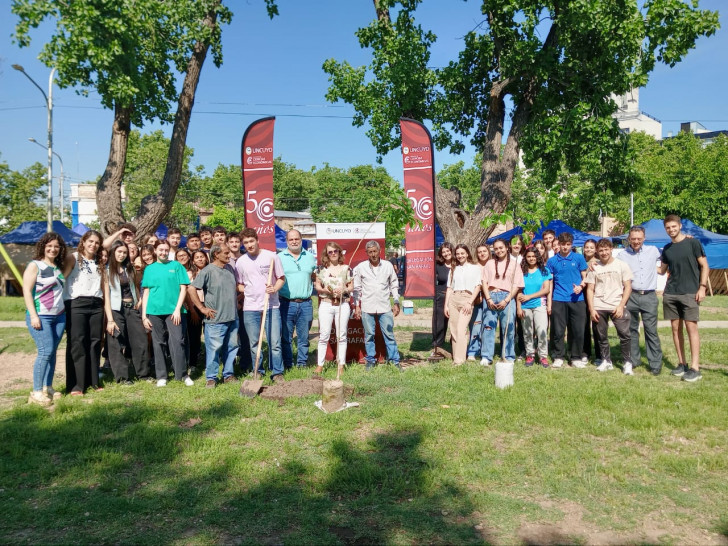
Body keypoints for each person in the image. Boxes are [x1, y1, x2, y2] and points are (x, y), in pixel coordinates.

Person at [659, 215, 709, 382]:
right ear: (665, 229)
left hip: (690, 292)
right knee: (675, 329)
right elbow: (661, 270)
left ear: (680, 226)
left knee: (691, 328)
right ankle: (682, 364)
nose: (671, 230)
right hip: (671, 293)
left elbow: (705, 266)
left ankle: (695, 368)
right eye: (668, 228)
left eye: (674, 226)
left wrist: (702, 287)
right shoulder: (666, 249)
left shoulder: (692, 243)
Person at [141, 239, 193, 387]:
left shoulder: (176, 266)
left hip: (174, 311)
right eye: (160, 250)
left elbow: (183, 288)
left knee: (178, 341)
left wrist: (177, 309)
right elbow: (146, 292)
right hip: (154, 311)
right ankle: (162, 376)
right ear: (155, 251)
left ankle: (182, 374)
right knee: (158, 343)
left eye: (166, 250)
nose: (163, 252)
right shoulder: (150, 269)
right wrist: (144, 316)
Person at [23, 232, 67, 406]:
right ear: (43, 246)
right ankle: (35, 392)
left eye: (56, 246)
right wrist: (34, 315)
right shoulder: (35, 265)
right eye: (49, 246)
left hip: (59, 315)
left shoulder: (58, 266)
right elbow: (27, 291)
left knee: (52, 352)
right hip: (41, 315)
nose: (53, 249)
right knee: (45, 351)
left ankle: (47, 387)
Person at [236, 228, 286, 382]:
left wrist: (274, 288)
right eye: (246, 243)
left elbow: (281, 278)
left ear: (257, 240)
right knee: (254, 342)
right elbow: (239, 285)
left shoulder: (271, 257)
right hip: (250, 307)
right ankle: (258, 370)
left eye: (251, 241)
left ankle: (277, 372)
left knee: (275, 342)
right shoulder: (241, 261)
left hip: (271, 306)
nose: (249, 245)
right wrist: (247, 290)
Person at [188, 244, 239, 388]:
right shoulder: (207, 271)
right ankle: (211, 377)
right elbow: (191, 289)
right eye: (226, 253)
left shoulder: (229, 269)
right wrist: (202, 308)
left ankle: (228, 374)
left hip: (232, 318)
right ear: (216, 254)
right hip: (215, 320)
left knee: (231, 348)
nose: (229, 255)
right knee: (214, 350)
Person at [617, 226, 664, 375]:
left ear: (644, 238)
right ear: (629, 239)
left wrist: (686, 239)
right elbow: (608, 263)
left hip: (649, 296)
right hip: (631, 296)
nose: (636, 241)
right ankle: (634, 360)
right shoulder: (622, 255)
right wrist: (593, 263)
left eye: (639, 238)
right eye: (633, 238)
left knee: (651, 330)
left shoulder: (654, 251)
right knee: (631, 330)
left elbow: (670, 254)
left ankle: (655, 364)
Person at [103, 240, 151, 383]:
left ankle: (144, 374)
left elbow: (137, 287)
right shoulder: (106, 271)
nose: (122, 255)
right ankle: (122, 377)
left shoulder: (129, 268)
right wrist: (110, 320)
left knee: (140, 341)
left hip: (132, 309)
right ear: (113, 252)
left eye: (125, 252)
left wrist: (139, 301)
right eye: (119, 252)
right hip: (116, 310)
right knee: (116, 343)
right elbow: (106, 297)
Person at [63, 229, 105, 395]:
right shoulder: (73, 258)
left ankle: (93, 382)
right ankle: (76, 385)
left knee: (95, 343)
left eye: (97, 243)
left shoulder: (99, 261)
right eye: (91, 241)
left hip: (96, 305)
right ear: (83, 241)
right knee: (77, 343)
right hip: (76, 304)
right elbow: (61, 279)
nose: (93, 245)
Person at [585, 239, 634, 374]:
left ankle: (627, 362)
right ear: (597, 251)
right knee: (601, 336)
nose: (604, 252)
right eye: (601, 250)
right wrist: (592, 308)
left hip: (616, 304)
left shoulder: (621, 265)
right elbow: (590, 289)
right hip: (599, 305)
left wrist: (621, 306)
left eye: (606, 249)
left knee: (624, 334)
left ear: (611, 249)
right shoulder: (594, 267)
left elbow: (628, 287)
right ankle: (606, 360)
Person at [353, 241, 401, 370]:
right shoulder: (361, 267)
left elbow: (394, 285)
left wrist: (396, 301)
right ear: (366, 252)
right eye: (370, 252)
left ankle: (394, 361)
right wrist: (357, 306)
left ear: (380, 251)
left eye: (375, 251)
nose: (373, 254)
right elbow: (357, 289)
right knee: (369, 335)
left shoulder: (388, 265)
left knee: (389, 335)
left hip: (384, 306)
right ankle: (370, 360)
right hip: (367, 306)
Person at [546, 232, 588, 368]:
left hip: (577, 299)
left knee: (577, 330)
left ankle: (575, 356)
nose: (565, 247)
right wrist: (550, 302)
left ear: (572, 245)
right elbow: (550, 282)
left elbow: (585, 277)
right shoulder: (552, 261)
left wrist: (581, 286)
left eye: (568, 244)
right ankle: (558, 356)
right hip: (558, 298)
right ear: (558, 244)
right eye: (562, 244)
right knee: (558, 330)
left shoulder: (579, 258)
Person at [481, 239, 525, 366]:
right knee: (488, 327)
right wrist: (488, 298)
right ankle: (487, 356)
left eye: (501, 248)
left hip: (507, 296)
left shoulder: (515, 264)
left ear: (507, 248)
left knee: (508, 328)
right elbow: (484, 281)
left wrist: (506, 300)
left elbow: (517, 285)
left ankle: (508, 355)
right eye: (496, 248)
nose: (499, 250)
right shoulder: (489, 263)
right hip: (491, 296)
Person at [279, 229, 317, 369]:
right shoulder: (279, 257)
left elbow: (314, 276)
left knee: (304, 337)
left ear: (301, 239)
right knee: (286, 337)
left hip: (306, 303)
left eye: (297, 239)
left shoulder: (309, 257)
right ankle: (288, 364)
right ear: (287, 241)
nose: (294, 242)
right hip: (286, 303)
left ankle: (302, 364)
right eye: (291, 239)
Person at [315, 241, 353, 374]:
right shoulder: (321, 269)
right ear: (326, 254)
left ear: (339, 252)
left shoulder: (346, 268)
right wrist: (325, 290)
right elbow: (317, 286)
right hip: (326, 303)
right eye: (330, 252)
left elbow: (351, 286)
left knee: (341, 335)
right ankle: (320, 365)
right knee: (324, 335)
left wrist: (343, 290)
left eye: (335, 251)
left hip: (342, 304)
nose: (333, 254)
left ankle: (341, 364)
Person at [444, 244, 482, 366]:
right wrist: (446, 305)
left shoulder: (475, 268)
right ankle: (456, 357)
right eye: (458, 254)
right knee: (454, 330)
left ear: (467, 253)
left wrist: (470, 301)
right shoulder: (453, 269)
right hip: (454, 299)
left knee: (461, 329)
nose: (460, 256)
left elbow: (478, 286)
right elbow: (449, 288)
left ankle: (459, 360)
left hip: (467, 298)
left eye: (462, 253)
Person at [517, 248, 552, 368]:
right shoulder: (522, 271)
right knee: (527, 332)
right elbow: (518, 290)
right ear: (525, 258)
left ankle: (543, 356)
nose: (531, 258)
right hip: (525, 306)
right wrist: (518, 307)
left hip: (539, 304)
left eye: (533, 256)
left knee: (541, 330)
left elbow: (546, 289)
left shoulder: (544, 271)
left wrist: (529, 296)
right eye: (528, 256)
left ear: (537, 257)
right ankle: (530, 354)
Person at [466, 244, 491, 361]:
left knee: (487, 326)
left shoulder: (493, 264)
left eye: (484, 251)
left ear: (488, 252)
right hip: (477, 299)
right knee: (475, 326)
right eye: (479, 252)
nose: (482, 253)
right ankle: (472, 350)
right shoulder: (474, 266)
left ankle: (485, 351)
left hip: (490, 298)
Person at [431, 243, 454, 359]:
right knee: (439, 324)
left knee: (455, 324)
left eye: (448, 251)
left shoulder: (457, 265)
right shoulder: (438, 265)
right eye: (444, 252)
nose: (446, 254)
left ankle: (454, 347)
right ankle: (437, 346)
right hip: (441, 296)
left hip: (455, 298)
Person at [188, 250, 209, 370]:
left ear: (206, 258)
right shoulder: (191, 274)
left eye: (202, 257)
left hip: (208, 305)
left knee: (209, 335)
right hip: (194, 307)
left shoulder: (211, 272)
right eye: (197, 257)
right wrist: (192, 310)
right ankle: (193, 362)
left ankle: (209, 361)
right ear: (193, 261)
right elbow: (187, 291)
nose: (200, 259)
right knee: (194, 336)